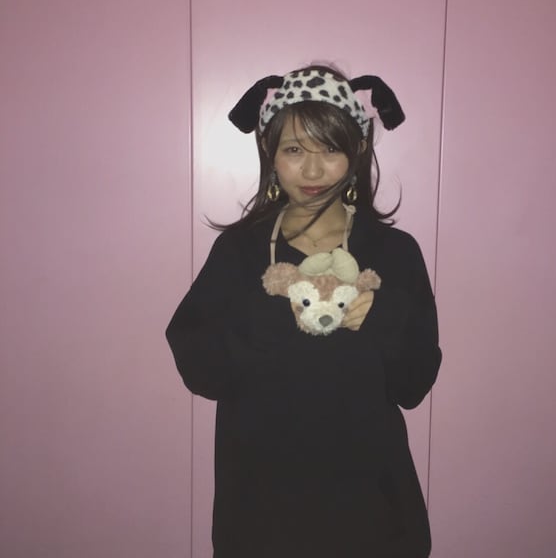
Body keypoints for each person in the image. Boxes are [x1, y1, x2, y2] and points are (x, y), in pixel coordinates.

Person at [166, 64, 442, 558]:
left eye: (330, 149)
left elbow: (414, 384)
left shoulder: (395, 252)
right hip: (260, 515)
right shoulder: (240, 252)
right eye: (294, 150)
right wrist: (269, 316)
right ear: (269, 151)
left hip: (375, 514)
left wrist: (378, 319)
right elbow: (201, 371)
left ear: (357, 151)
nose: (312, 172)